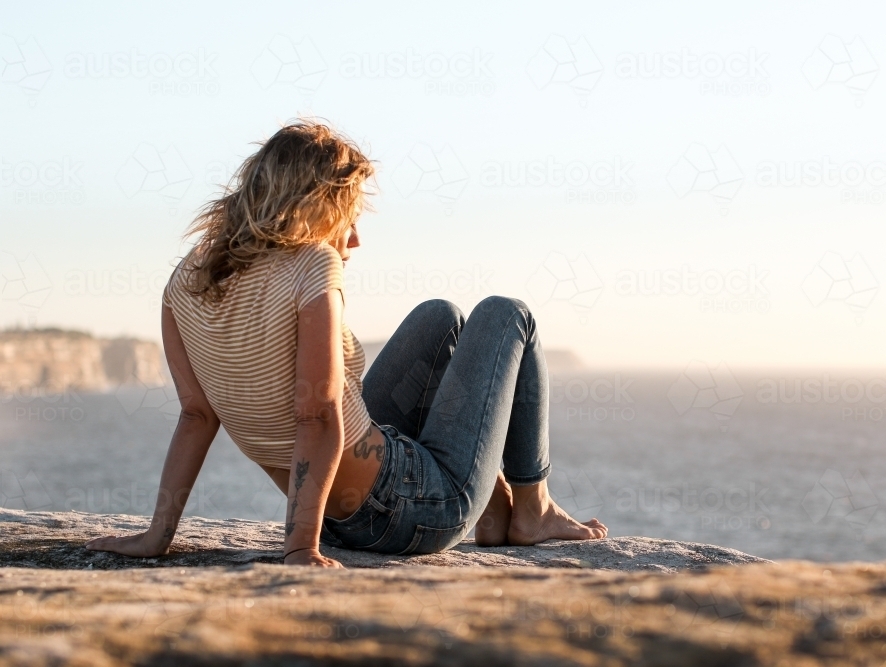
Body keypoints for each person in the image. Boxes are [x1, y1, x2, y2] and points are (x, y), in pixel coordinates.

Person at [86, 121, 607, 567]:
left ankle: (494, 509)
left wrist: (158, 535)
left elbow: (196, 416)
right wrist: (298, 551)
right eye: (346, 214)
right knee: (506, 314)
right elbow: (316, 415)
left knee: (440, 317)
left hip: (334, 514)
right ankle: (532, 510)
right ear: (310, 208)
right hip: (416, 511)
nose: (354, 238)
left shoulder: (186, 279)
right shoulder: (313, 264)